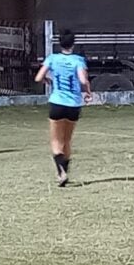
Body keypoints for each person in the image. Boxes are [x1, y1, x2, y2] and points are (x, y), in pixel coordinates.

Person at [34, 30, 92, 187]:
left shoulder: (52, 58)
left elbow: (38, 77)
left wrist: (48, 80)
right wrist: (87, 92)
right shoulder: (78, 60)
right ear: (73, 44)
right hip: (73, 105)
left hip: (57, 103)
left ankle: (61, 172)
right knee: (67, 140)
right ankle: (65, 171)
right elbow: (82, 80)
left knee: (55, 140)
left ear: (60, 43)